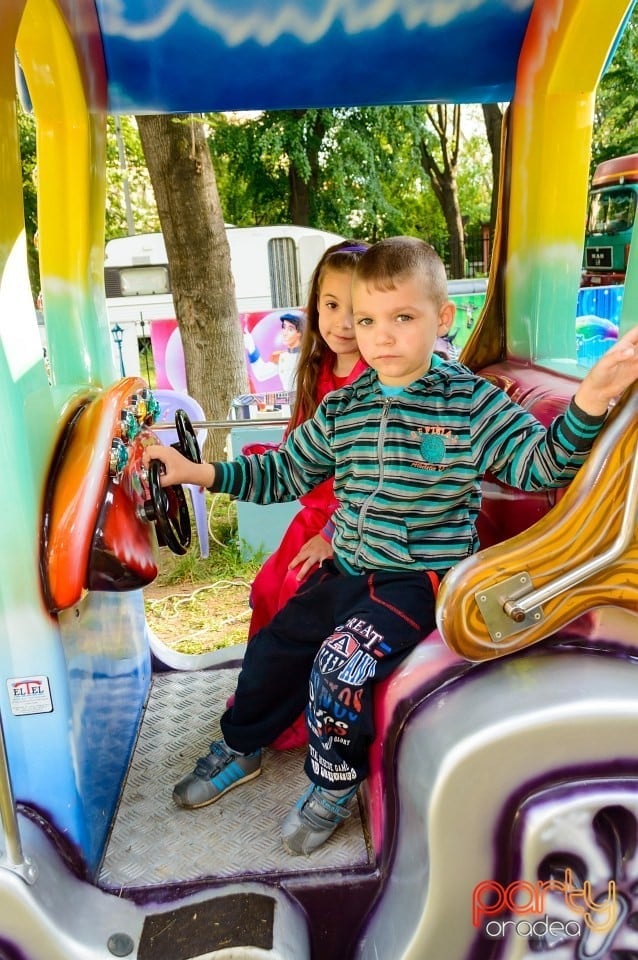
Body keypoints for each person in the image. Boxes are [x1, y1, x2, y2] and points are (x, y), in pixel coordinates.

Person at [143, 236, 638, 857]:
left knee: (340, 664)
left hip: (417, 579)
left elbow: (541, 465)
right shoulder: (345, 406)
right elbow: (284, 472)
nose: (380, 336)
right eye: (366, 320)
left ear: (442, 318)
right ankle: (241, 746)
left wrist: (591, 399)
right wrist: (197, 472)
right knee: (274, 645)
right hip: (349, 564)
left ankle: (331, 786)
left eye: (403, 318)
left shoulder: (469, 403)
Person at [237, 239, 369, 751]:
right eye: (332, 305)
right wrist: (267, 455)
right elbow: (304, 448)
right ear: (315, 305)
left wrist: (335, 535)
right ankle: (263, 701)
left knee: (288, 592)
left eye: (357, 310)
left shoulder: (375, 380)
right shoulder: (316, 371)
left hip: (352, 525)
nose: (341, 322)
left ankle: (290, 714)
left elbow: (377, 474)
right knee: (267, 588)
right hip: (314, 518)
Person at [243, 310, 304, 392]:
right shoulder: (282, 357)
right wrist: (251, 347)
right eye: (284, 327)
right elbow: (261, 374)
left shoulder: (308, 356)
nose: (284, 333)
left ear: (299, 333)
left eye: (290, 329)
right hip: (290, 401)